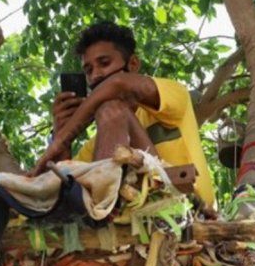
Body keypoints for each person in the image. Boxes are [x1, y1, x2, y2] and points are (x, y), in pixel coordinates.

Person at [36, 22, 216, 209]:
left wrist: (62, 139)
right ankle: (101, 209)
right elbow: (63, 184)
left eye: (104, 63)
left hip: (182, 209)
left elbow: (118, 83)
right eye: (88, 70)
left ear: (133, 64)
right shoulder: (98, 143)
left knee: (112, 109)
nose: (96, 75)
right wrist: (60, 131)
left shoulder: (175, 95)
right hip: (126, 222)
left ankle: (101, 208)